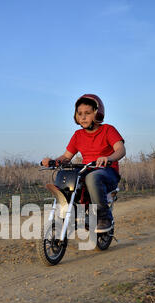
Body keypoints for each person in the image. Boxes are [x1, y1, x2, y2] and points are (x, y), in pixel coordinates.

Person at [41, 94, 126, 232]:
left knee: (92, 177)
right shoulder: (77, 135)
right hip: (86, 172)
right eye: (79, 114)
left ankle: (104, 217)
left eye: (87, 113)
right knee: (65, 176)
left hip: (107, 173)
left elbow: (121, 150)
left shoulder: (108, 130)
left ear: (97, 113)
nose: (83, 117)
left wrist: (108, 158)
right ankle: (71, 213)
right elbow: (67, 156)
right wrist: (54, 161)